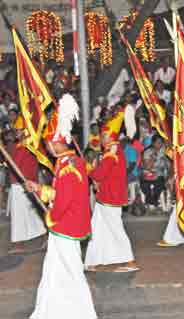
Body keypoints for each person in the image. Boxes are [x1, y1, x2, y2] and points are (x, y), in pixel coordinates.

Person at [26, 93, 97, 319]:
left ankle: (84, 313)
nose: (47, 146)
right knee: (54, 271)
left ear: (57, 141)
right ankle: (52, 310)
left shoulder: (68, 166)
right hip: (65, 227)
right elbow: (59, 194)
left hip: (66, 227)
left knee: (71, 272)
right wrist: (38, 188)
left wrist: (50, 217)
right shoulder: (67, 162)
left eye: (48, 142)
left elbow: (62, 203)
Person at [85, 108, 139, 273]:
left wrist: (88, 168)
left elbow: (100, 174)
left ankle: (130, 261)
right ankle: (92, 261)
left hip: (111, 199)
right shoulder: (112, 151)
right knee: (97, 229)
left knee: (116, 230)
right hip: (105, 197)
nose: (101, 138)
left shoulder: (112, 153)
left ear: (110, 136)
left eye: (103, 136)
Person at [7, 116, 46, 254]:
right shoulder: (21, 145)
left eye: (18, 130)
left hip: (24, 184)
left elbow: (24, 166)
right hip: (19, 184)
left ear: (25, 130)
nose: (16, 132)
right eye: (16, 130)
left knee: (23, 214)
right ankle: (43, 236)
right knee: (29, 213)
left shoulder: (28, 146)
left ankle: (20, 242)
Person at [141, 135, 171, 211]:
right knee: (145, 185)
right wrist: (154, 157)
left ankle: (152, 201)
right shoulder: (148, 152)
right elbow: (148, 167)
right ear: (153, 143)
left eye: (161, 143)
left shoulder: (164, 151)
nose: (160, 145)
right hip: (148, 173)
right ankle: (151, 201)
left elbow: (169, 145)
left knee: (159, 183)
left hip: (159, 174)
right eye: (158, 143)